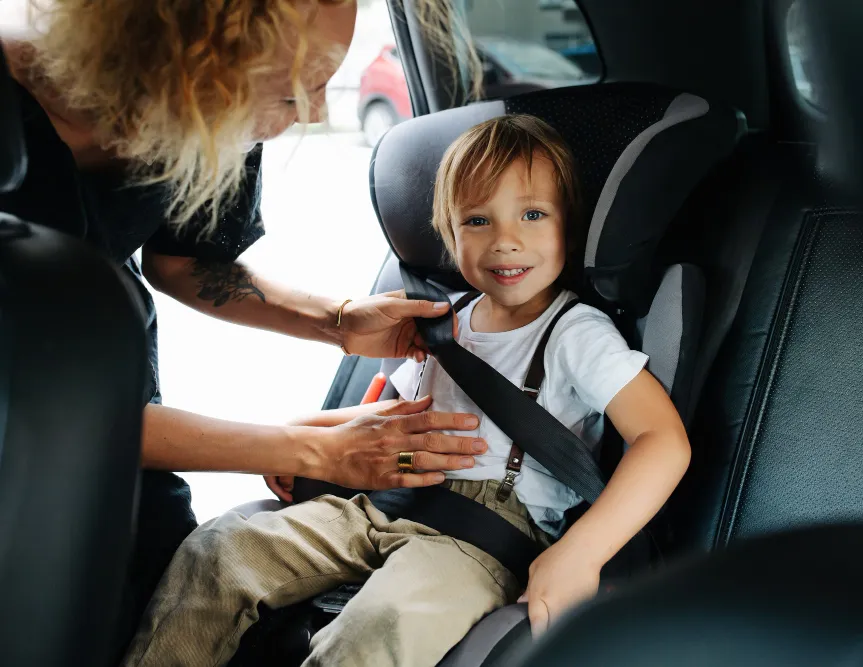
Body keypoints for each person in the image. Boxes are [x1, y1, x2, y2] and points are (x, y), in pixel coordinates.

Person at [0, 0, 487, 657]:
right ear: (187, 56)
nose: (313, 112)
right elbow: (57, 410)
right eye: (293, 91)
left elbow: (184, 260)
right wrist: (311, 450)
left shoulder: (206, 116)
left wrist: (337, 321)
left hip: (120, 440)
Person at [121, 115, 692, 667]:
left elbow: (662, 440)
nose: (505, 241)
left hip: (482, 535)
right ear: (448, 233)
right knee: (221, 550)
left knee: (380, 624)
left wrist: (581, 553)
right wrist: (298, 441)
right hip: (380, 501)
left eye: (533, 214)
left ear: (570, 225)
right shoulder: (443, 320)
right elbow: (392, 419)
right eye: (477, 221)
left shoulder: (575, 333)